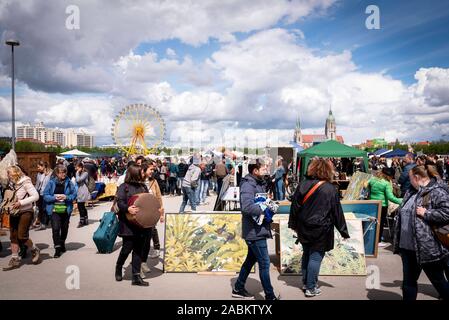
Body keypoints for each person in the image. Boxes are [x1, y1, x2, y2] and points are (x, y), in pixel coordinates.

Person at [288, 158, 350, 297]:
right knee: (315, 258)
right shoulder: (330, 188)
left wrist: (293, 224)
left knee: (306, 255)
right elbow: (336, 212)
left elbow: (295, 207)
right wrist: (344, 231)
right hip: (321, 228)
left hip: (304, 226)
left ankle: (306, 283)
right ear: (328, 170)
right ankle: (310, 287)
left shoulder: (303, 184)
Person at [393, 165, 449, 300]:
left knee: (439, 282)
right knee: (408, 283)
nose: (409, 180)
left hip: (428, 248)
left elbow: (447, 212)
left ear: (417, 177)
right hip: (407, 248)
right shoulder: (411, 191)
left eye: (410, 178)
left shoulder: (437, 191)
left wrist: (427, 213)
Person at [232, 159, 280, 300]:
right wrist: (265, 207)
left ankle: (238, 288)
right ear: (255, 171)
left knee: (250, 260)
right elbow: (246, 207)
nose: (266, 169)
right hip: (254, 231)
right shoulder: (248, 185)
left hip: (258, 229)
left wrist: (269, 204)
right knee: (264, 263)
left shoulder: (258, 183)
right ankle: (270, 296)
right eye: (264, 167)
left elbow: (259, 201)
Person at [115, 164, 150, 286]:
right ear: (135, 173)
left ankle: (136, 277)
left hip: (141, 223)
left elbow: (147, 202)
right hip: (128, 224)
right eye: (141, 172)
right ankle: (119, 266)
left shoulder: (143, 186)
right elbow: (120, 202)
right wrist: (127, 209)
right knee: (126, 248)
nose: (143, 173)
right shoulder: (123, 187)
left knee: (138, 250)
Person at [2, 166, 40, 271]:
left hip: (26, 211)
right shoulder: (11, 183)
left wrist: (21, 203)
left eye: (9, 173)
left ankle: (34, 249)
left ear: (15, 173)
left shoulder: (25, 182)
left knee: (22, 236)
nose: (8, 175)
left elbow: (36, 196)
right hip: (14, 211)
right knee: (13, 236)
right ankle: (14, 258)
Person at [43, 165, 78, 258]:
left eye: (65, 172)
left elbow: (74, 194)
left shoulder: (69, 182)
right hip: (54, 209)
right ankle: (57, 248)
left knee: (64, 228)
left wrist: (66, 197)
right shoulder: (51, 183)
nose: (63, 174)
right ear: (57, 173)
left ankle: (62, 242)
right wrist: (54, 197)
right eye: (61, 172)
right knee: (55, 228)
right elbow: (45, 195)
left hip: (66, 209)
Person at [366, 167, 403, 246]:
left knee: (374, 223)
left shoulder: (373, 179)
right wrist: (402, 200)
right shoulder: (386, 183)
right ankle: (378, 241)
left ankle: (374, 239)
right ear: (389, 176)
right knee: (380, 223)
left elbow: (365, 184)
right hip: (382, 206)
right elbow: (391, 197)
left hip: (372, 204)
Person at [140, 161, 165, 276]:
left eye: (153, 170)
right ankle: (139, 265)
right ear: (144, 170)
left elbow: (159, 197)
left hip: (152, 214)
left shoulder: (154, 182)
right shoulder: (138, 182)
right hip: (140, 214)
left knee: (147, 237)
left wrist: (161, 213)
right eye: (151, 169)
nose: (153, 172)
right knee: (140, 240)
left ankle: (143, 262)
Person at [33, 161, 53, 230]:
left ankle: (44, 223)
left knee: (45, 209)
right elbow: (37, 184)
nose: (37, 168)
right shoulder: (39, 174)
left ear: (43, 166)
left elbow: (52, 184)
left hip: (47, 194)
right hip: (40, 193)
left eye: (39, 167)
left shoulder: (50, 173)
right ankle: (43, 223)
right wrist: (34, 192)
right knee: (41, 209)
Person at [75, 162, 90, 227]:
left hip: (83, 192)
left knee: (80, 206)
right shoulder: (80, 173)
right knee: (81, 206)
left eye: (77, 167)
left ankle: (82, 220)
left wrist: (77, 173)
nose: (76, 169)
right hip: (80, 191)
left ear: (81, 167)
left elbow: (78, 180)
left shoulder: (85, 173)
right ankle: (85, 219)